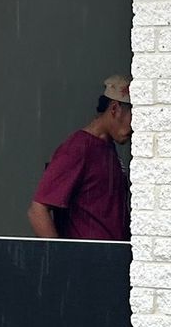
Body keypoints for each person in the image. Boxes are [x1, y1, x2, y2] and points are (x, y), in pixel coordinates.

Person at [28, 75, 131, 241]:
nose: (136, 126)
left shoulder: (108, 148)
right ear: (115, 108)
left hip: (113, 258)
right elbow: (37, 210)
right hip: (86, 261)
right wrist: (61, 259)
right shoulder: (78, 148)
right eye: (134, 117)